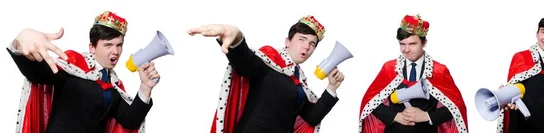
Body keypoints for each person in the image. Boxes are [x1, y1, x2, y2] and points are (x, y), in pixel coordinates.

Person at [187, 15, 345, 133]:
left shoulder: (300, 80)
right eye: (302, 39)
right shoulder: (269, 62)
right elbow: (246, 62)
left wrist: (331, 87)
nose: (307, 47)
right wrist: (236, 39)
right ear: (287, 41)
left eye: (312, 44)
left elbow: (311, 117)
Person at [7, 11, 159, 133]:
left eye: (119, 45)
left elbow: (129, 120)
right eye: (108, 45)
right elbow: (36, 72)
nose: (116, 51)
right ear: (92, 47)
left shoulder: (113, 85)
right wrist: (21, 41)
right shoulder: (72, 68)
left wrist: (145, 87)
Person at [358, 14, 469, 133]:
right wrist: (395, 116)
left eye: (412, 44)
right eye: (402, 44)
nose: (406, 50)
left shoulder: (438, 70)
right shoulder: (390, 68)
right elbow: (370, 102)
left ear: (424, 42)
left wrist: (427, 116)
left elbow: (456, 107)